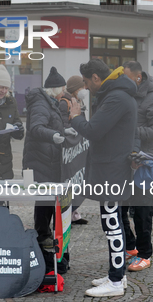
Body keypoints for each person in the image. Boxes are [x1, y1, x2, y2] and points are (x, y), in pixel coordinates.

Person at [69, 59, 137, 297]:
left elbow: (93, 131)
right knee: (113, 222)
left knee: (112, 224)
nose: (86, 87)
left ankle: (116, 282)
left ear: (96, 78)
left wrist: (76, 116)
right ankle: (116, 274)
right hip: (112, 168)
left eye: (87, 82)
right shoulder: (116, 94)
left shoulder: (115, 97)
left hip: (111, 170)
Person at [121, 60, 153, 272]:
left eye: (127, 77)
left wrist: (133, 132)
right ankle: (131, 247)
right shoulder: (128, 95)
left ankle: (145, 254)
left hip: (145, 164)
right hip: (126, 161)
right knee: (121, 208)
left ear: (138, 77)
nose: (124, 81)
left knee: (142, 211)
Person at [23, 67, 76, 247]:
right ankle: (42, 234)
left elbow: (49, 124)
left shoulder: (49, 101)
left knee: (49, 198)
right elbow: (37, 127)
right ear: (54, 89)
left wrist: (63, 131)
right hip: (40, 159)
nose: (63, 93)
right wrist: (53, 136)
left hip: (48, 158)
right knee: (44, 199)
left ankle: (47, 233)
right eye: (62, 89)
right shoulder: (40, 103)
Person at [64, 75, 89, 225]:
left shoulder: (79, 101)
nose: (85, 90)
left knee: (80, 180)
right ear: (75, 90)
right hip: (71, 148)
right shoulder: (66, 103)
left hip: (80, 147)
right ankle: (68, 214)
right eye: (82, 87)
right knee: (72, 180)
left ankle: (74, 212)